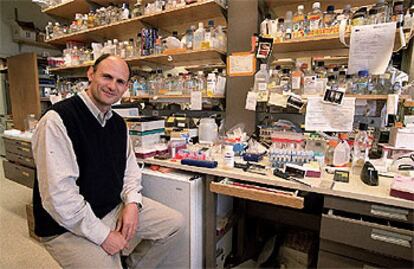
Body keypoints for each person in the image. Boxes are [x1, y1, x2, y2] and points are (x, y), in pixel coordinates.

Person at [32, 54, 183, 269]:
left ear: (126, 87)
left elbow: (130, 171)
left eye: (120, 81)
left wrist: (132, 203)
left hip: (110, 208)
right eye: (107, 77)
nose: (112, 86)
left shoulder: (118, 124)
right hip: (65, 225)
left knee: (174, 224)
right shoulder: (58, 120)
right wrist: (104, 236)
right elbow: (59, 198)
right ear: (91, 74)